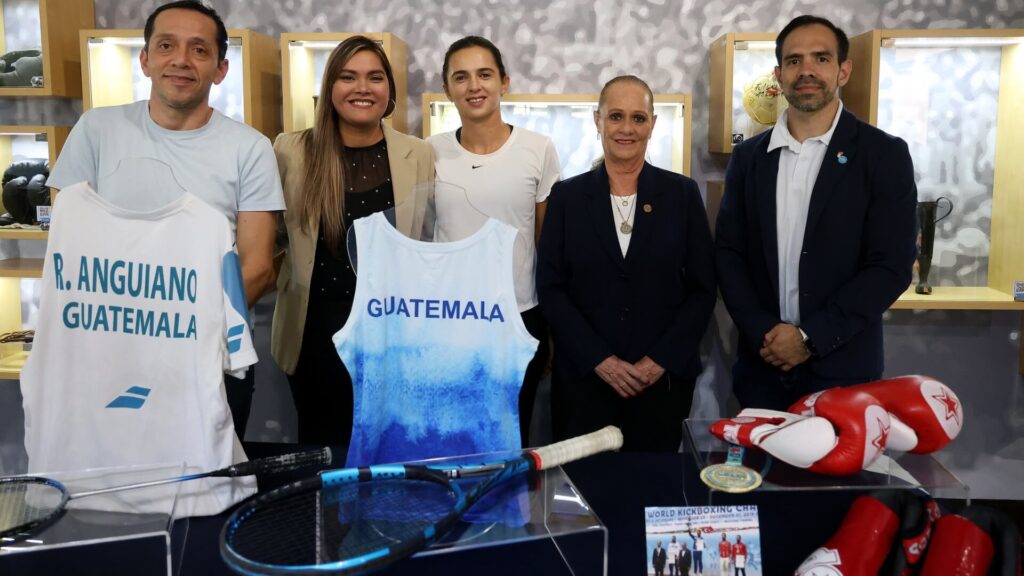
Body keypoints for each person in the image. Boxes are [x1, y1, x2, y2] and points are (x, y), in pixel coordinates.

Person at [47, 0, 284, 437]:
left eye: (199, 49)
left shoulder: (250, 148)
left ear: (220, 69)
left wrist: (178, 332)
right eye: (166, 45)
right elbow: (68, 248)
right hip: (108, 356)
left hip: (210, 357)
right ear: (145, 59)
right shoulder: (96, 131)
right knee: (114, 486)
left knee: (208, 489)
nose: (180, 60)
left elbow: (258, 268)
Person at [715, 15, 916, 410]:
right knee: (757, 473)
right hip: (761, 368)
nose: (806, 70)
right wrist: (764, 333)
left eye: (820, 58)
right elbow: (729, 253)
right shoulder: (749, 159)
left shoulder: (883, 155)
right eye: (794, 60)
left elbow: (890, 266)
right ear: (779, 74)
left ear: (843, 70)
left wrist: (808, 338)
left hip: (841, 372)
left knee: (837, 476)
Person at [537, 75, 716, 451]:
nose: (626, 129)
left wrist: (658, 361)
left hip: (661, 384)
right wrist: (601, 360)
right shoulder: (567, 197)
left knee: (652, 493)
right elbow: (551, 289)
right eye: (616, 116)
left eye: (638, 118)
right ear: (597, 120)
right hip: (586, 381)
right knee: (584, 497)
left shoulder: (682, 195)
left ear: (652, 124)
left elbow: (702, 289)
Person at [271, 36, 433, 446]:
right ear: (330, 89)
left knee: (385, 448)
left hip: (389, 331)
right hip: (314, 333)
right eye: (348, 77)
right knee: (321, 448)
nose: (362, 88)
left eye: (375, 78)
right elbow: (270, 238)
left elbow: (426, 245)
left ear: (389, 91)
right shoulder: (290, 150)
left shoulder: (418, 154)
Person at [428, 36, 560, 446]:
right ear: (448, 88)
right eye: (461, 77)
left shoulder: (538, 149)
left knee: (510, 433)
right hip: (447, 318)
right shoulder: (427, 152)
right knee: (449, 436)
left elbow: (546, 245)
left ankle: (506, 511)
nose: (474, 86)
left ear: (504, 82)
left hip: (519, 317)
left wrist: (553, 330)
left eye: (484, 74)